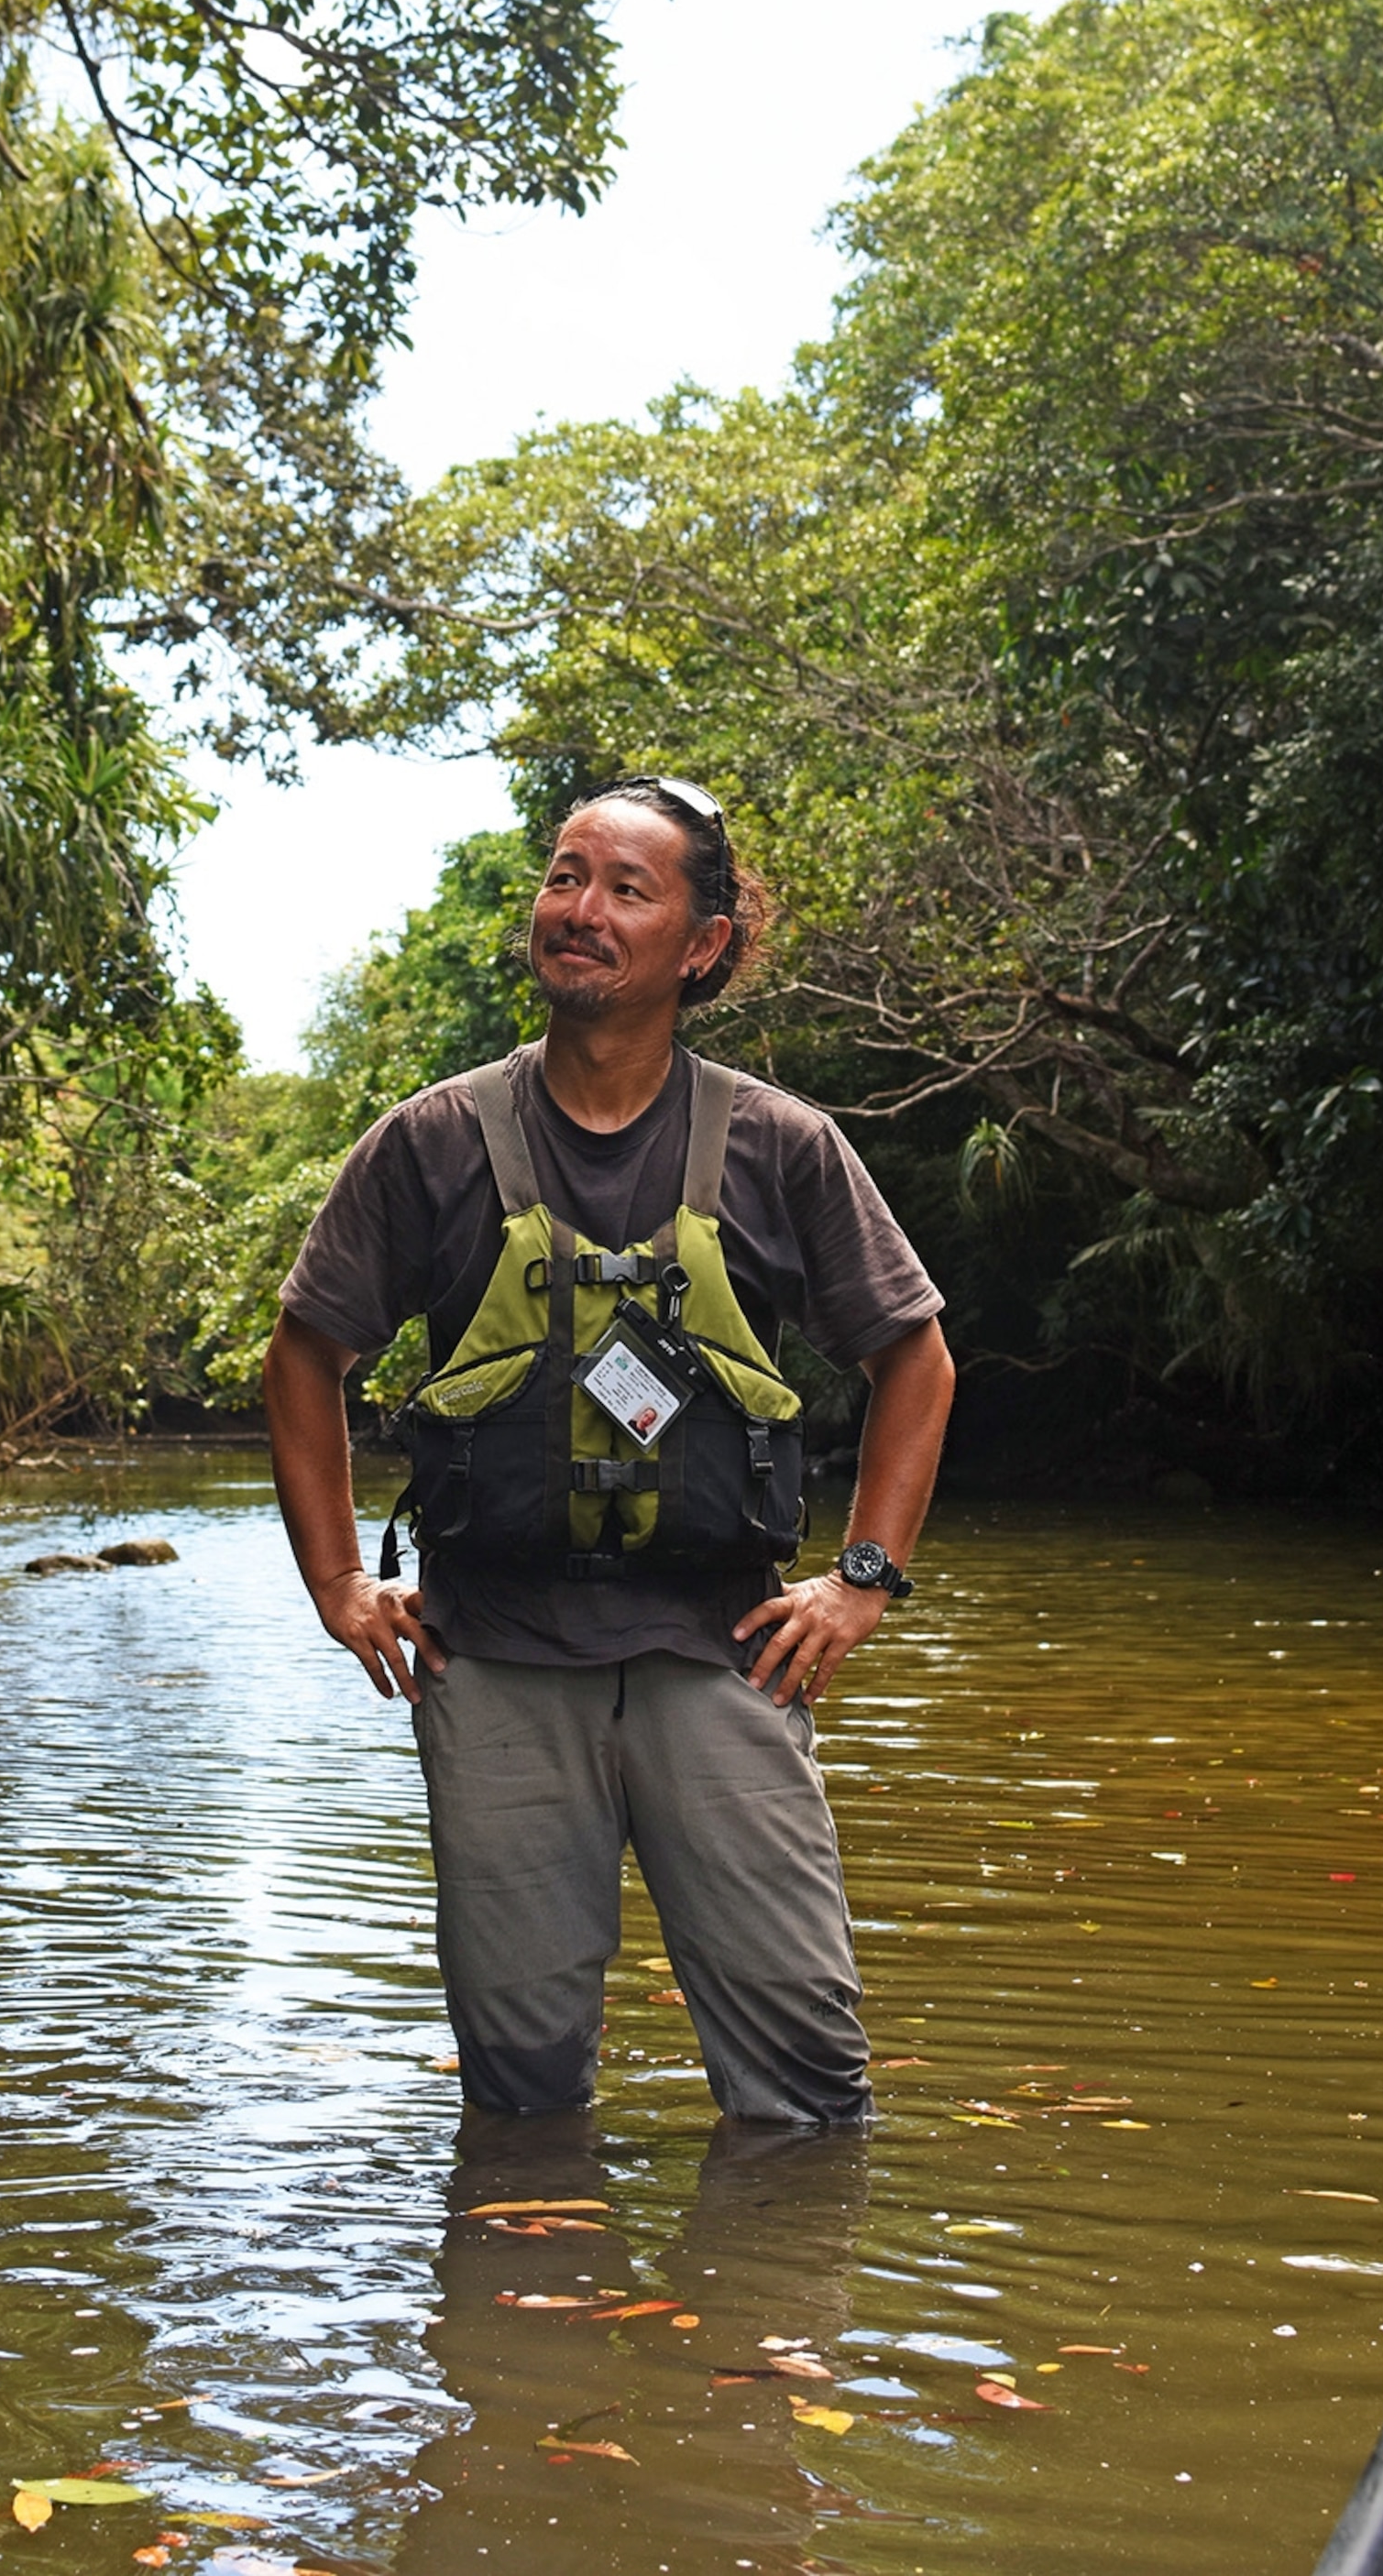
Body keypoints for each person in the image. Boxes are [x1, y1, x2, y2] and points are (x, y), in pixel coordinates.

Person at [263, 774, 954, 2125]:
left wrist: (863, 1578)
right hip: (496, 1658)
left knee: (808, 2083)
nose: (579, 909)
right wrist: (339, 1582)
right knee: (519, 2088)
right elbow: (305, 1355)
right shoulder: (432, 1143)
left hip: (723, 1652)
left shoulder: (781, 1147)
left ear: (704, 944)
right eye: (565, 877)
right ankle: (531, 2256)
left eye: (627, 890)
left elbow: (914, 1357)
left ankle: (780, 2267)